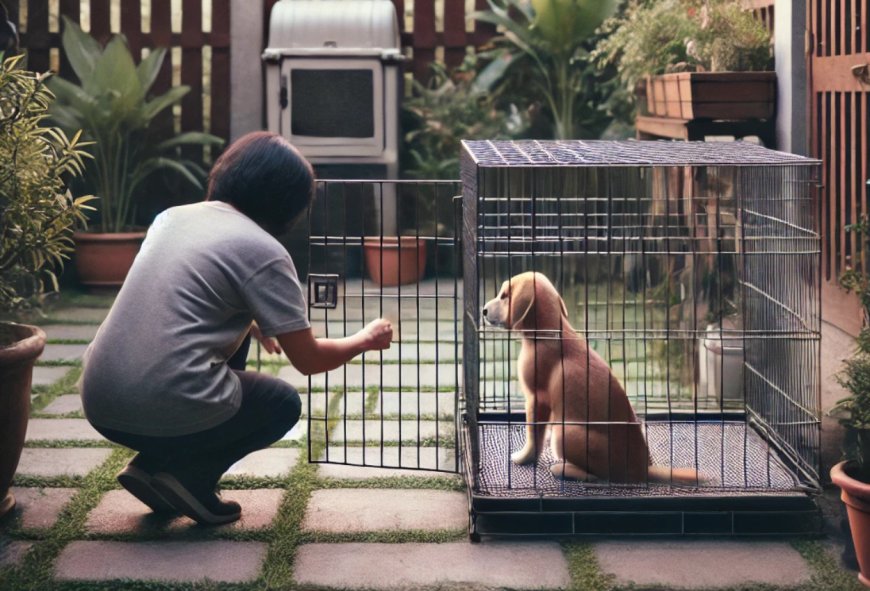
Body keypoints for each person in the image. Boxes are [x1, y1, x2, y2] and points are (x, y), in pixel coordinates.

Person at [79, 131, 392, 525]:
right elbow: (309, 360)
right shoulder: (264, 251)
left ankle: (151, 464)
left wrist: (257, 321)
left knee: (234, 334)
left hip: (100, 401)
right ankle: (190, 477)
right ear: (288, 204)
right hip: (160, 401)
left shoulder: (172, 218)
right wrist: (364, 339)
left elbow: (190, 298)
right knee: (281, 404)